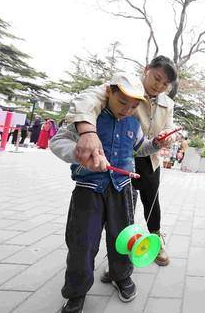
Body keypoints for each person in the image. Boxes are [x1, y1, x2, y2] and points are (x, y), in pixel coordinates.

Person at [50, 75, 163, 313]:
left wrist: (155, 144)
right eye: (122, 102)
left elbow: (139, 147)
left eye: (133, 106)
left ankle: (120, 275)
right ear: (109, 92)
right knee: (82, 243)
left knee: (123, 238)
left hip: (123, 191)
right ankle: (76, 292)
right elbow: (57, 141)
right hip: (88, 191)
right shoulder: (88, 120)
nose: (128, 110)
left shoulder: (133, 123)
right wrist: (78, 153)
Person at [64, 55, 178, 268]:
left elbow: (168, 127)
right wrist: (88, 130)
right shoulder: (124, 87)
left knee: (152, 201)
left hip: (149, 157)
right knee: (125, 208)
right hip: (120, 159)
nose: (159, 86)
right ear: (147, 69)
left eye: (165, 84)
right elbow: (90, 98)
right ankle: (121, 251)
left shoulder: (167, 103)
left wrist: (167, 137)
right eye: (157, 78)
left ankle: (155, 239)